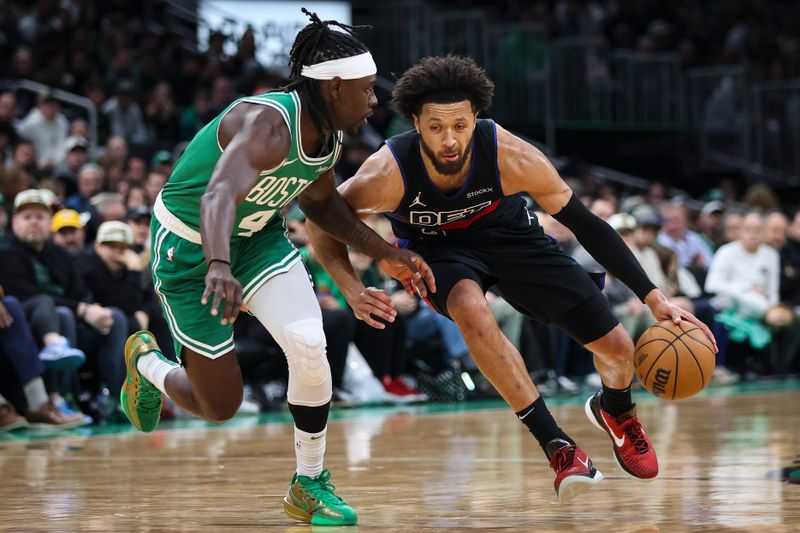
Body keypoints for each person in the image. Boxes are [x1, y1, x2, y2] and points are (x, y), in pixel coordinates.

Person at [306, 55, 716, 503]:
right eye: (436, 126)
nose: (449, 139)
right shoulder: (388, 171)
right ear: (416, 122)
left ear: (475, 118)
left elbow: (588, 225)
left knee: (620, 351)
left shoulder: (511, 155)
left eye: (460, 126)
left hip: (512, 238)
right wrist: (351, 286)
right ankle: (556, 444)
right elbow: (321, 219)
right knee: (468, 306)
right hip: (439, 253)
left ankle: (615, 409)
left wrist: (654, 297)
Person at [119, 10, 433, 527]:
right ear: (333, 87)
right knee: (219, 405)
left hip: (258, 239)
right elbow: (218, 193)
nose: (374, 99)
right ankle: (148, 365)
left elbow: (323, 206)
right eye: (367, 89)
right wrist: (219, 265)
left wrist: (385, 253)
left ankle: (308, 483)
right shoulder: (267, 123)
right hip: (193, 248)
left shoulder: (327, 136)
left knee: (310, 342)